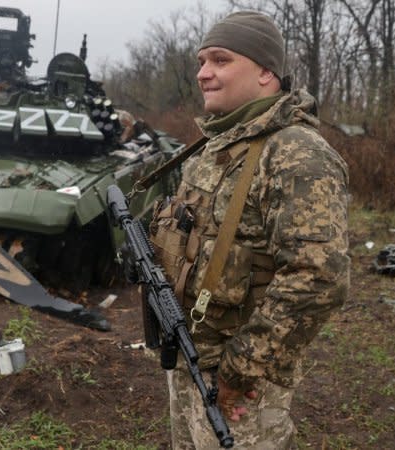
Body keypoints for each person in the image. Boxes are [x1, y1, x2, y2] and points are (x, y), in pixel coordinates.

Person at [147, 11, 350, 449]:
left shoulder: (295, 152)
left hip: (239, 380)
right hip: (188, 356)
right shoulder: (217, 143)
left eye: (220, 60)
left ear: (265, 72)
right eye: (201, 61)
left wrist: (241, 370)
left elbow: (319, 278)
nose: (203, 74)